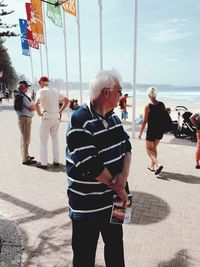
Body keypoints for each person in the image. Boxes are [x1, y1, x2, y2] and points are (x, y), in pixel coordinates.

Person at [66, 69, 132, 267]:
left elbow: (127, 147)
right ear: (106, 92)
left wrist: (124, 174)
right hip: (87, 207)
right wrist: (120, 188)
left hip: (114, 202)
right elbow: (90, 165)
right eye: (119, 91)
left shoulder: (114, 118)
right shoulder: (79, 119)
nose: (121, 95)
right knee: (84, 257)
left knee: (115, 251)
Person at [35, 76, 69, 169]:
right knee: (55, 140)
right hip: (56, 117)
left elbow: (36, 104)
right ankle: (56, 161)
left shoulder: (41, 91)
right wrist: (60, 111)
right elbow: (66, 101)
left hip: (47, 117)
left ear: (42, 82)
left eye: (39, 82)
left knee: (43, 141)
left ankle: (44, 163)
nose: (39, 84)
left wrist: (39, 114)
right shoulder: (55, 90)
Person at [138, 87, 165, 175]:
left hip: (151, 131)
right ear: (156, 94)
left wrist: (140, 133)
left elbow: (145, 121)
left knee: (148, 149)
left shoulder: (148, 106)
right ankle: (152, 167)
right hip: (160, 131)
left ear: (148, 95)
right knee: (154, 148)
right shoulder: (161, 104)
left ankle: (157, 164)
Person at [14, 81, 36, 165]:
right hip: (25, 119)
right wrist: (33, 104)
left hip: (23, 119)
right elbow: (32, 107)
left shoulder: (19, 96)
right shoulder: (23, 97)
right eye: (27, 87)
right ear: (23, 88)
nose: (27, 88)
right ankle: (25, 159)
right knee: (26, 139)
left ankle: (25, 155)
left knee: (25, 138)